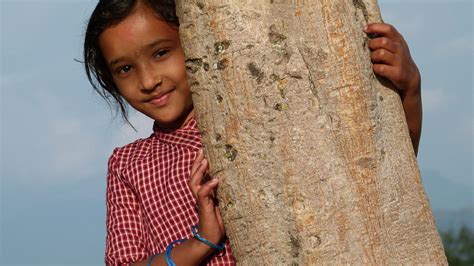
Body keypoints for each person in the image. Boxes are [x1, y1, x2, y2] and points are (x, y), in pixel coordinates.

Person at [83, 0, 422, 265]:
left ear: (193, 40)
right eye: (125, 69)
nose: (148, 80)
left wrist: (409, 89)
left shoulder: (256, 119)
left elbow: (380, 178)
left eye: (161, 53)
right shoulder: (129, 164)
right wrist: (201, 241)